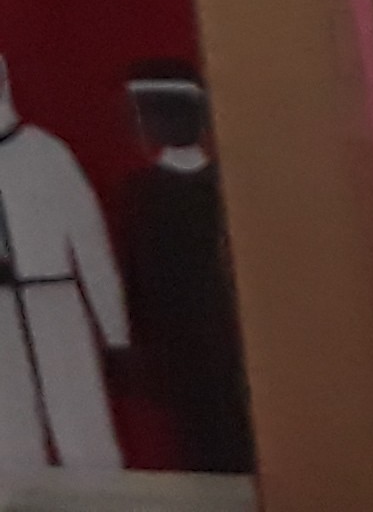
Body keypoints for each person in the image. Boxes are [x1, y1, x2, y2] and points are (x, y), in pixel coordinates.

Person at [115, 64, 243, 474]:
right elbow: (135, 275)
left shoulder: (224, 185)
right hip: (182, 338)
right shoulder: (141, 191)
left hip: (222, 332)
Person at [0, 58, 121, 471]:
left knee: (81, 424)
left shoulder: (46, 152)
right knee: (11, 435)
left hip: (55, 303)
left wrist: (114, 330)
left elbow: (90, 243)